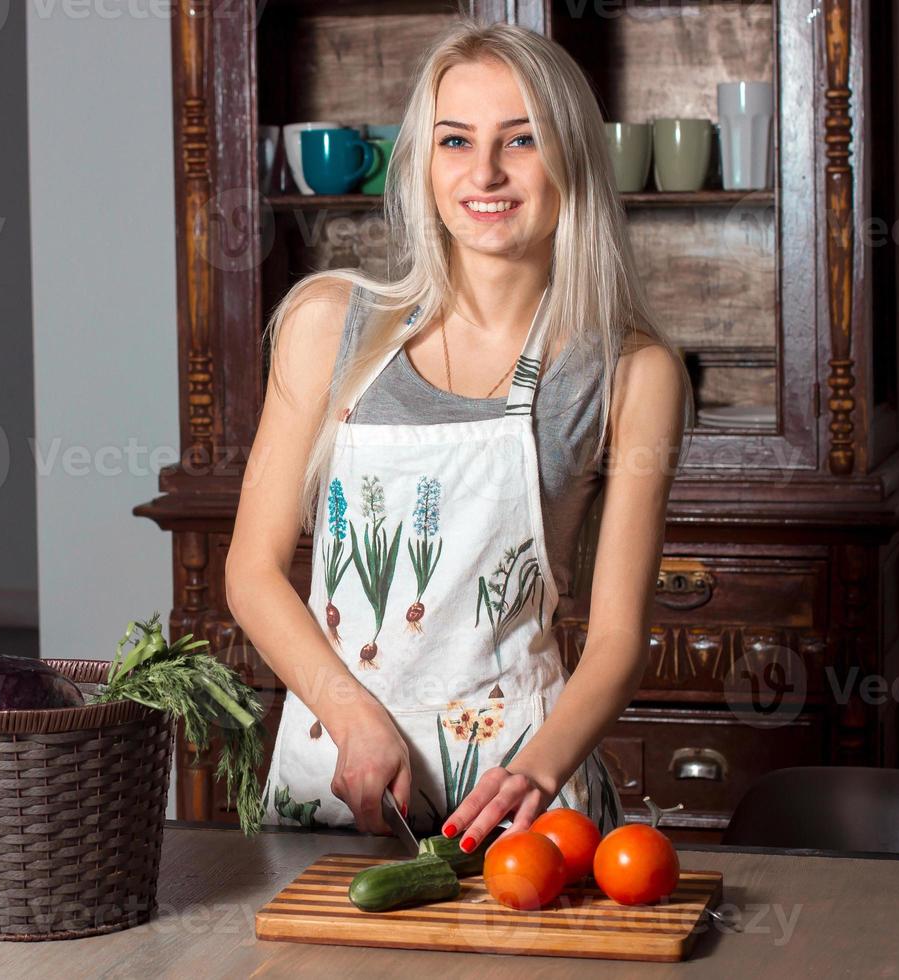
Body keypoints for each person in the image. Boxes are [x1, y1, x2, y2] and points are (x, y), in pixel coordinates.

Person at [227, 19, 692, 852]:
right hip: (340, 777)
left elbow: (619, 639)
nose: (484, 173)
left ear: (572, 157)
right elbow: (252, 573)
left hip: (521, 805)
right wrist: (354, 721)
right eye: (455, 140)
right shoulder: (327, 325)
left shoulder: (632, 371)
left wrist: (536, 773)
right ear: (422, 162)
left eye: (521, 140)